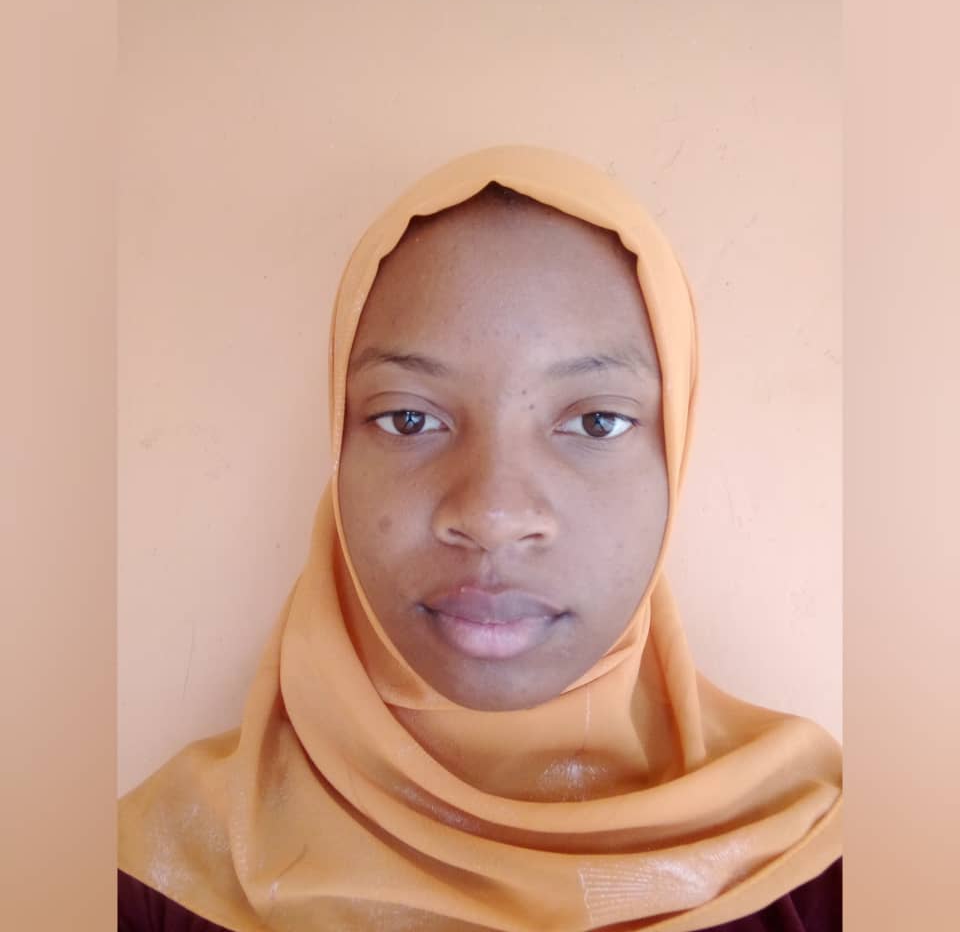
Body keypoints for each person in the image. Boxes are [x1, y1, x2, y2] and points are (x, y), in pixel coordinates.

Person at [118, 145, 842, 931]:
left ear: (676, 448)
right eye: (409, 418)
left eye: (597, 421)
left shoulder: (821, 863)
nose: (493, 514)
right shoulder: (154, 880)